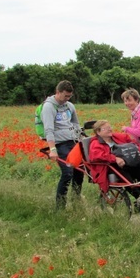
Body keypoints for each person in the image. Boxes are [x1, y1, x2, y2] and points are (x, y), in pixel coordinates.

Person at [89, 120, 140, 207]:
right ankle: (138, 196)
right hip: (109, 168)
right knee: (121, 172)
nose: (109, 129)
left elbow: (133, 143)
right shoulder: (95, 143)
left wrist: (138, 152)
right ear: (98, 132)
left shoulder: (118, 137)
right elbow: (97, 156)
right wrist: (114, 158)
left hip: (127, 164)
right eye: (106, 128)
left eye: (110, 127)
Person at [42, 80, 84, 209]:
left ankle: (76, 200)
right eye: (65, 96)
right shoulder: (49, 107)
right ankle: (60, 207)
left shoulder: (70, 106)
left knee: (79, 170)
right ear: (58, 92)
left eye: (69, 96)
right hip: (60, 144)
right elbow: (48, 130)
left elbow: (76, 124)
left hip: (73, 142)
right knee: (67, 172)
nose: (67, 99)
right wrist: (52, 149)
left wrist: (81, 138)